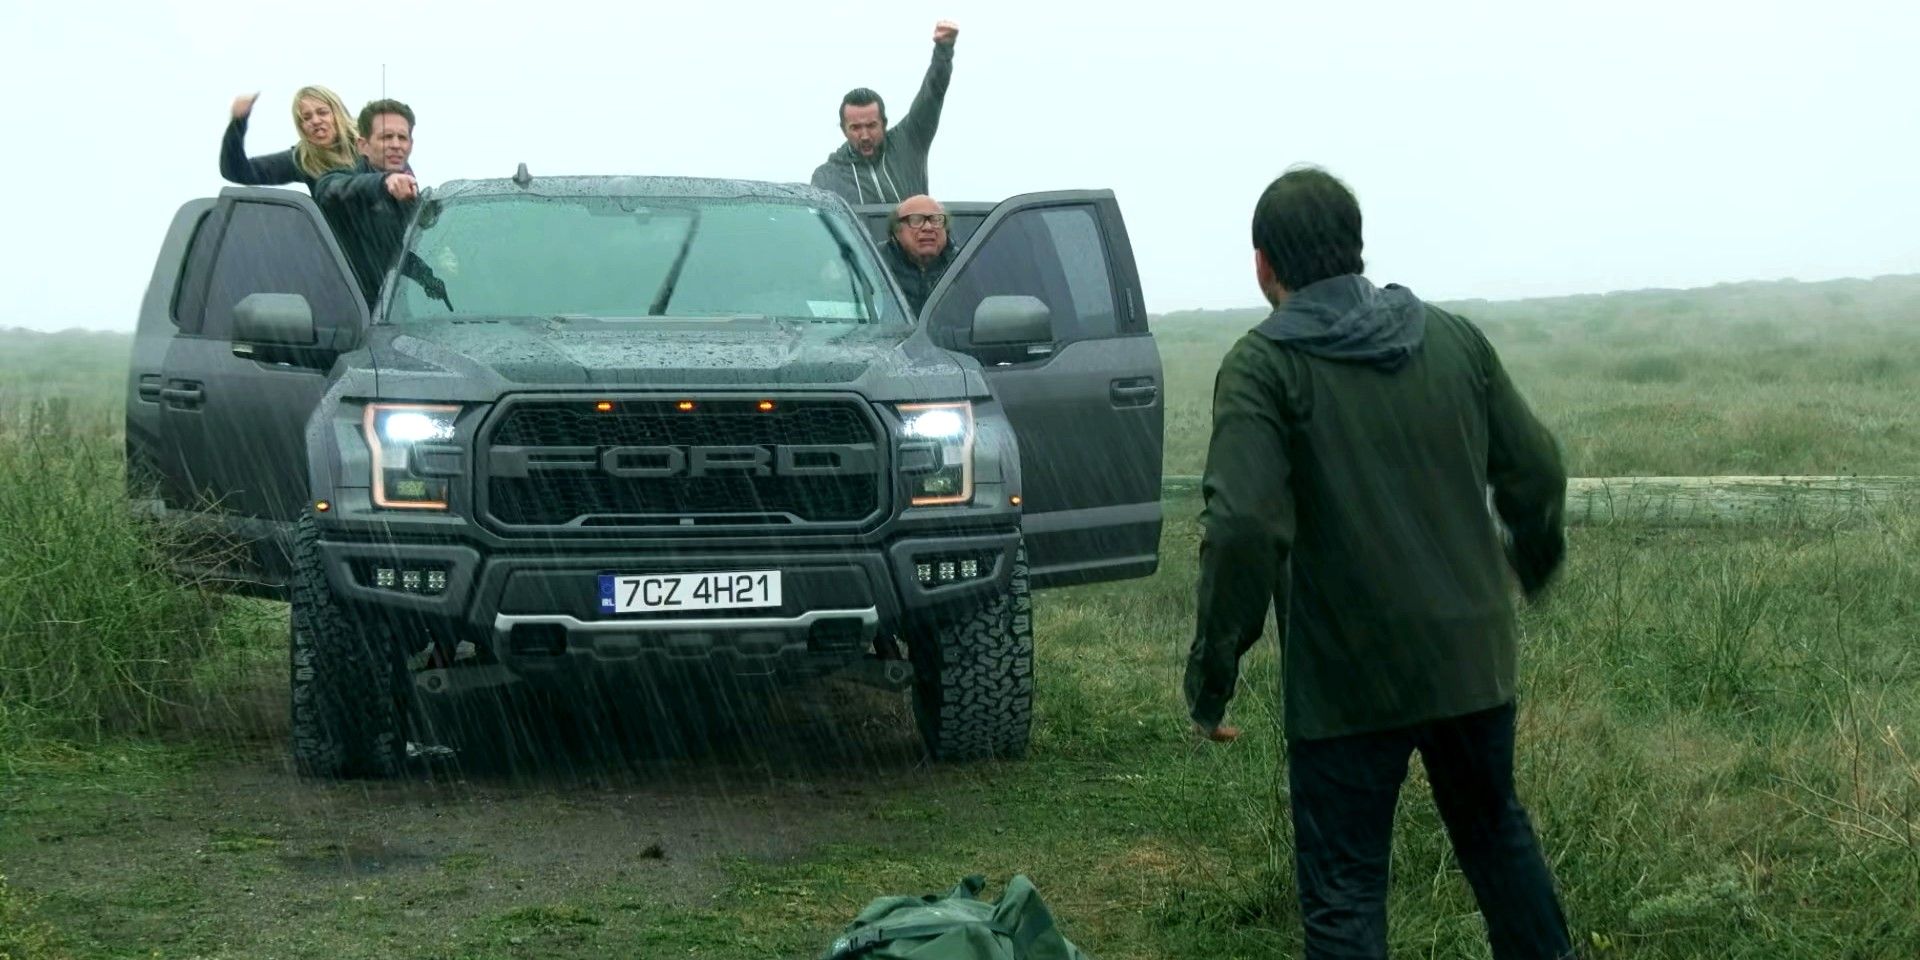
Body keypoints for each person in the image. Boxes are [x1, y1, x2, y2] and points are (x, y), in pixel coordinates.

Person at [1184, 165, 1574, 959]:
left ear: (1263, 264)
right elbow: (1537, 471)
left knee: (1346, 892)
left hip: (1345, 679)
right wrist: (1528, 563)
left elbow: (1242, 526)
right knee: (1497, 839)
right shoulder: (1454, 337)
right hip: (1471, 659)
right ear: (1356, 247)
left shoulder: (1263, 366)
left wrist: (1214, 672)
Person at [313, 99, 447, 308]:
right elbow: (328, 190)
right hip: (345, 317)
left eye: (402, 137)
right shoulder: (345, 186)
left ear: (410, 145)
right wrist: (383, 182)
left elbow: (395, 255)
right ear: (363, 145)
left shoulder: (408, 198)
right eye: (386, 137)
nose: (396, 144)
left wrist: (430, 280)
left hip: (389, 316)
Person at [810, 20, 959, 206]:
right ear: (843, 130)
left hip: (919, 234)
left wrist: (944, 48)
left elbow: (933, 92)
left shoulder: (909, 140)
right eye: (855, 127)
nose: (865, 135)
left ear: (884, 123)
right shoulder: (827, 176)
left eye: (871, 125)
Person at [219, 86, 359, 189]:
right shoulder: (303, 160)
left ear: (338, 113)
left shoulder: (370, 140)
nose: (315, 121)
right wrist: (238, 123)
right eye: (306, 117)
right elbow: (237, 172)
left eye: (322, 113)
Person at [882, 195, 957, 313]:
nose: (928, 227)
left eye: (936, 220)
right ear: (896, 231)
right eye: (915, 220)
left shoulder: (964, 265)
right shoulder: (876, 264)